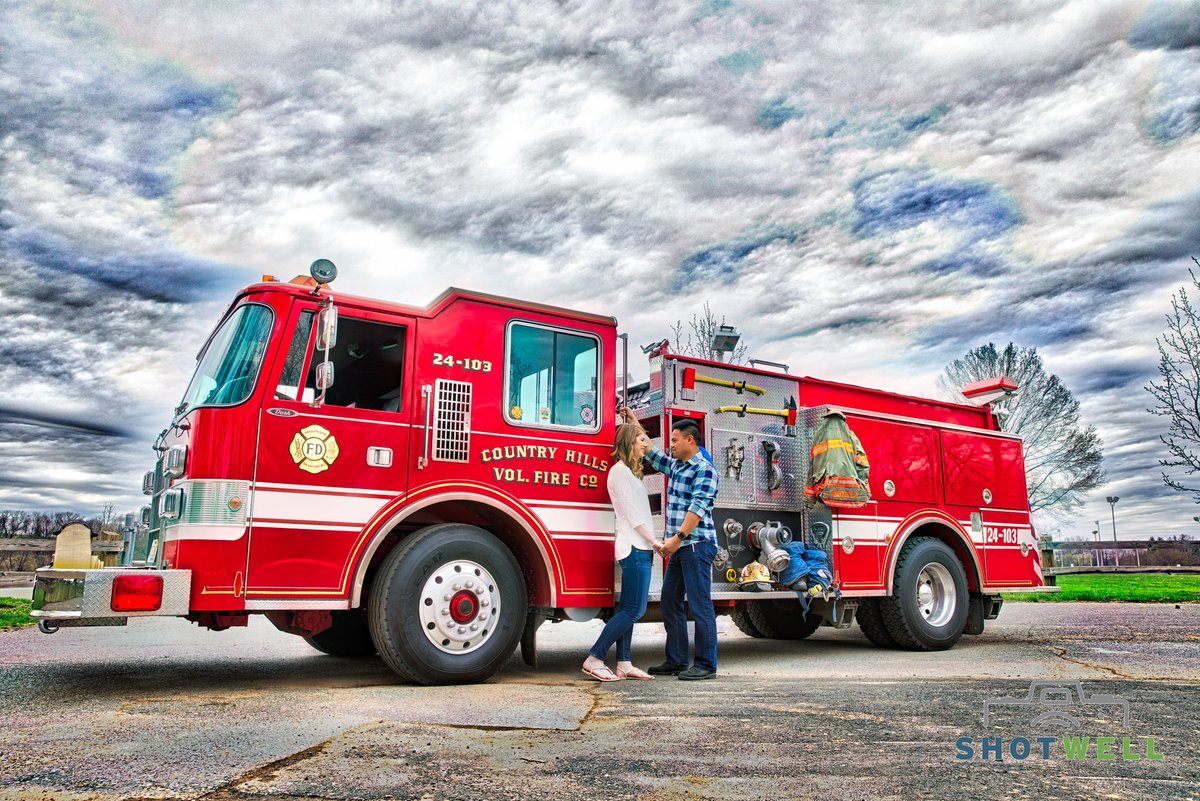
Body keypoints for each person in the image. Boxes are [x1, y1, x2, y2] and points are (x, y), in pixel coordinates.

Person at [623, 408, 720, 680]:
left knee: (700, 605)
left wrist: (676, 540)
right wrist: (635, 424)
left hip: (696, 545)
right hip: (681, 546)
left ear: (691, 440)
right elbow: (653, 453)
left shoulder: (705, 470)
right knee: (670, 601)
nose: (672, 444)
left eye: (675, 440)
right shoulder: (677, 465)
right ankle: (676, 659)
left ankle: (706, 665)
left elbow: (696, 510)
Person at [582, 419, 661, 682]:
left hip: (640, 547)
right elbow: (633, 515)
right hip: (635, 547)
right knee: (634, 610)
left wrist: (635, 422)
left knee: (628, 608)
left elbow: (645, 443)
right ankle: (595, 657)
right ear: (629, 442)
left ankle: (624, 662)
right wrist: (655, 542)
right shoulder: (619, 473)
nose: (645, 447)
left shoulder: (630, 473)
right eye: (640, 441)